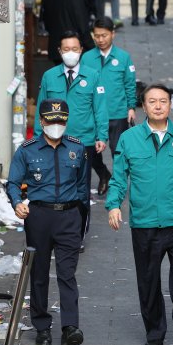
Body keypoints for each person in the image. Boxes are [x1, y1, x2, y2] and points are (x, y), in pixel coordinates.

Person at [106, 84, 173, 345]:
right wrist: (113, 205)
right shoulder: (129, 139)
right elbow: (118, 178)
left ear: (170, 105)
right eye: (153, 102)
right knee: (148, 280)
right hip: (145, 223)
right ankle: (155, 332)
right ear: (144, 106)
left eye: (163, 101)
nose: (159, 106)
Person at [7, 98, 88, 345]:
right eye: (51, 120)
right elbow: (12, 183)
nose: (57, 124)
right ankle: (42, 326)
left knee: (67, 274)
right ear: (41, 121)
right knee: (39, 273)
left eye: (61, 120)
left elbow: (83, 188)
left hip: (69, 216)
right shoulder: (27, 150)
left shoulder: (77, 148)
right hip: (39, 217)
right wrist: (17, 203)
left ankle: (70, 328)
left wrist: (82, 222)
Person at [34, 30, 109, 240]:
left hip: (82, 142)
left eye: (74, 49)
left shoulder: (92, 76)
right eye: (66, 49)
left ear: (81, 51)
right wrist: (37, 138)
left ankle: (78, 234)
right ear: (59, 51)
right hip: (53, 140)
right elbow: (41, 107)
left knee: (81, 190)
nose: (70, 53)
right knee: (52, 186)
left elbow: (100, 108)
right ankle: (56, 232)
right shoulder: (49, 76)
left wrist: (101, 136)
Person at [80, 16, 137, 195]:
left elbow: (130, 83)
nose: (100, 40)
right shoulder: (86, 58)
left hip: (117, 112)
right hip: (94, 114)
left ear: (112, 34)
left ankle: (118, 185)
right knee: (91, 151)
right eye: (97, 36)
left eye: (104, 35)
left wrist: (131, 107)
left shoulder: (123, 57)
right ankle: (104, 174)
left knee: (118, 150)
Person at [43, 0, 94, 64]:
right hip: (75, 48)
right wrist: (92, 47)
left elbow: (47, 25)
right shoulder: (78, 1)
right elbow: (83, 28)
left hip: (56, 48)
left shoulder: (50, 0)